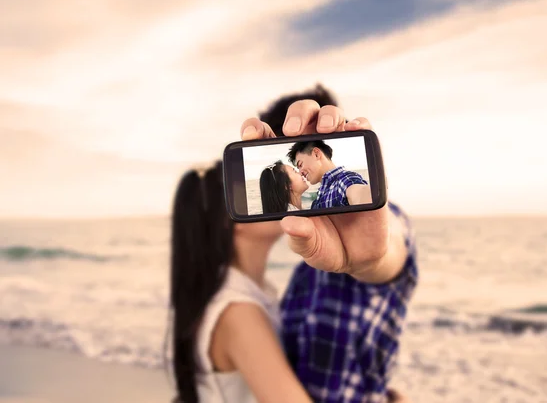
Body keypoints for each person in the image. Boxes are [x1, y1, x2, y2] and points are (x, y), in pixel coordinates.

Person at [242, 84, 419, 403]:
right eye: (291, 167)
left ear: (318, 150)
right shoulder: (307, 261)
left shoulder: (374, 212)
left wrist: (371, 261)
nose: (299, 171)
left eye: (297, 161)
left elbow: (389, 249)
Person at [167, 162, 313, 403]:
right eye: (265, 190)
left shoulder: (252, 292)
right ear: (232, 218)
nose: (281, 195)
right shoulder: (239, 313)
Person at [286, 140, 372, 208]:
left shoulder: (344, 180)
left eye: (300, 164)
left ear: (316, 154)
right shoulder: (319, 197)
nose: (300, 172)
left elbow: (361, 193)